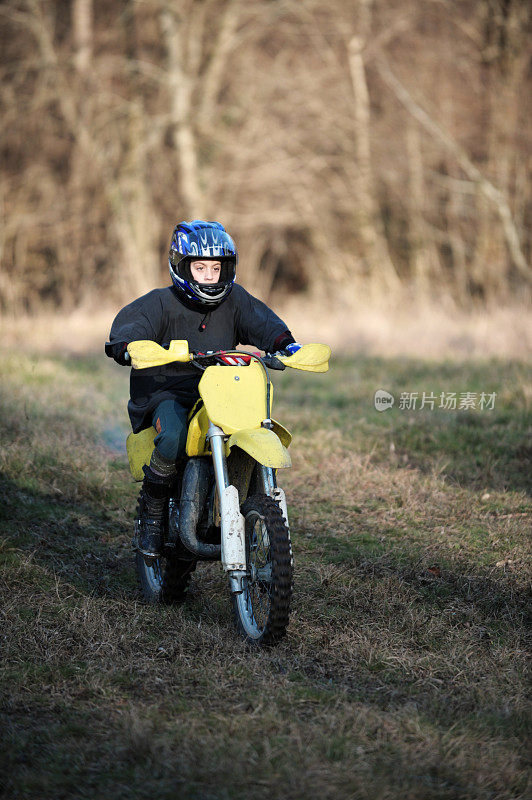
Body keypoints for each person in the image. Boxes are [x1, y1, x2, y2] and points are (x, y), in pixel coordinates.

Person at [106, 220, 300, 558]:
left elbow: (264, 323)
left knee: (253, 425)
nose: (209, 275)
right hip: (169, 392)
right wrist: (127, 346)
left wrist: (287, 346)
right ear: (182, 267)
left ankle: (245, 507)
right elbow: (131, 327)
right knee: (172, 437)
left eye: (216, 267)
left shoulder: (235, 300)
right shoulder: (160, 303)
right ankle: (152, 517)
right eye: (200, 267)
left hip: (222, 392)